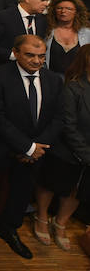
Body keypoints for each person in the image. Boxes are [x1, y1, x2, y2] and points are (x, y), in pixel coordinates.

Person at [0, 35, 64, 260]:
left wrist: (36, 148)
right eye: (30, 55)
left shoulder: (54, 80)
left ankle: (8, 227)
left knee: (22, 192)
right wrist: (26, 146)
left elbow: (58, 117)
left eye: (41, 56)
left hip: (35, 151)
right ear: (16, 53)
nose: (37, 61)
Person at [34, 44, 90, 252]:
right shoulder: (73, 87)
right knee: (51, 184)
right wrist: (85, 153)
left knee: (78, 189)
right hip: (67, 149)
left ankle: (60, 223)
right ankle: (40, 218)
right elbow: (68, 124)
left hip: (88, 154)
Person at [0, 0, 52, 64]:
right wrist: (16, 57)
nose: (46, 4)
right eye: (42, 0)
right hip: (7, 66)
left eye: (47, 1)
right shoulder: (3, 17)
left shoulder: (43, 20)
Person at [44, 0, 90, 74]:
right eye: (59, 8)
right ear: (54, 11)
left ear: (76, 12)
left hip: (78, 80)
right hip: (51, 78)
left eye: (69, 9)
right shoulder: (46, 31)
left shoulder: (87, 33)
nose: (63, 11)